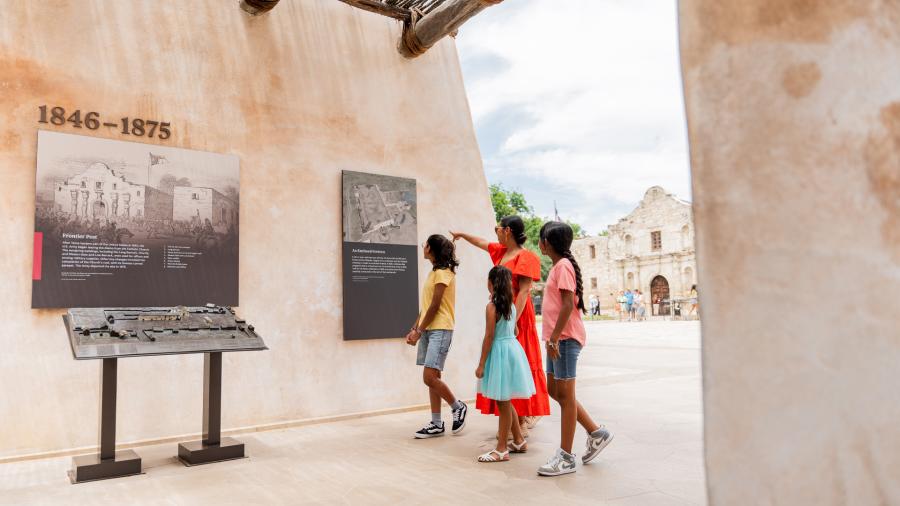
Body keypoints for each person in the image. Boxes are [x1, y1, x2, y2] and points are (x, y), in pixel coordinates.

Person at [451, 217, 550, 433]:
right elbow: (481, 242)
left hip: (518, 316)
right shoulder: (501, 251)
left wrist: (512, 320)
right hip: (503, 313)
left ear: (507, 231)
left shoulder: (526, 257)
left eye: (497, 229)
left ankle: (523, 419)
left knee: (518, 365)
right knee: (504, 366)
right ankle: (513, 422)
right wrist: (462, 234)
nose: (495, 233)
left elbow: (524, 291)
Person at [537, 222, 613, 477]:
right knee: (554, 390)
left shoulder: (564, 266)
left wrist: (556, 338)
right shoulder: (559, 266)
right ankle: (596, 433)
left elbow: (568, 304)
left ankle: (566, 457)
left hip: (564, 340)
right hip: (555, 340)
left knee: (566, 396)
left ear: (546, 242)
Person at [406, 234, 468, 438]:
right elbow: (425, 307)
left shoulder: (443, 273)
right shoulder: (434, 273)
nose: (423, 247)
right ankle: (436, 423)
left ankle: (457, 406)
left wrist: (419, 331)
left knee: (429, 377)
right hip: (429, 329)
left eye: (426, 244)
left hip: (440, 329)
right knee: (434, 378)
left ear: (431, 249)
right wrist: (415, 329)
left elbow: (435, 306)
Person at [475, 266, 536, 462]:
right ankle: (518, 440)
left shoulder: (492, 307)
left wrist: (482, 363)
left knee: (503, 403)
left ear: (491, 284)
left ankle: (501, 449)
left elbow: (489, 336)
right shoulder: (511, 306)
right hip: (513, 350)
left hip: (500, 352)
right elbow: (516, 331)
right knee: (505, 399)